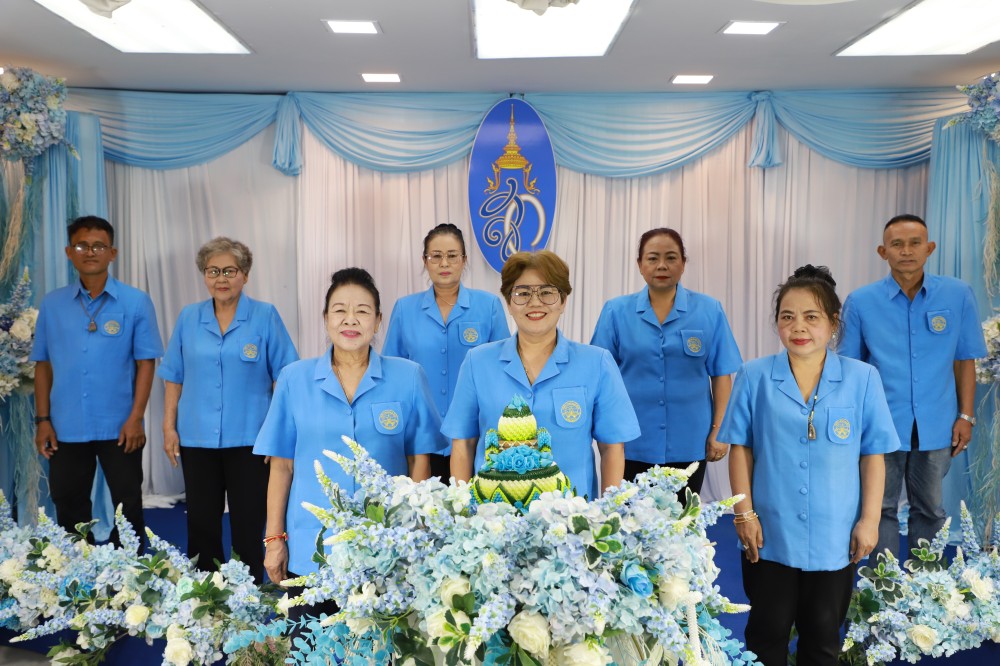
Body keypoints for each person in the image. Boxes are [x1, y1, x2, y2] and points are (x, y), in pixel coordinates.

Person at [719, 265, 899, 666]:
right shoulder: (754, 375)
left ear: (833, 324)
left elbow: (873, 455)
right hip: (770, 532)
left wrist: (870, 520)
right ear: (777, 324)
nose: (798, 326)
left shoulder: (862, 378)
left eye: (811, 317)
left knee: (822, 637)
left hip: (835, 535)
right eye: (787, 316)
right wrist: (743, 514)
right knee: (766, 634)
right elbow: (741, 449)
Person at [253, 267, 446, 592]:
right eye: (340, 311)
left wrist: (416, 531)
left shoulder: (409, 377)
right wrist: (274, 540)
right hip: (312, 547)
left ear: (378, 320)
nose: (350, 320)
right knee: (308, 626)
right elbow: (282, 466)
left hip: (386, 548)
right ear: (326, 318)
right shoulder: (294, 379)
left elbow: (419, 462)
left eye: (362, 311)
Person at [840, 214, 988, 558]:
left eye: (914, 243)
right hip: (880, 423)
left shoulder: (958, 295)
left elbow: (964, 359)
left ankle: (927, 583)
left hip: (937, 423)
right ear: (882, 252)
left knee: (930, 508)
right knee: (880, 507)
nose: (906, 251)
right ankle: (884, 584)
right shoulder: (861, 302)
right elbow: (850, 369)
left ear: (929, 248)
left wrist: (966, 415)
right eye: (897, 244)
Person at [443, 250, 640, 500]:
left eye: (547, 292)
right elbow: (463, 443)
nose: (535, 302)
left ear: (563, 301)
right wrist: (461, 509)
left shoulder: (597, 363)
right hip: (492, 517)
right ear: (509, 303)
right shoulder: (478, 362)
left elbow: (612, 448)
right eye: (523, 293)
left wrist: (609, 510)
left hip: (572, 517)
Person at [158, 237, 298, 582]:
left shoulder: (264, 316)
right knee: (201, 520)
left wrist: (278, 435)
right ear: (204, 275)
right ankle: (206, 590)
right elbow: (174, 376)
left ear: (245, 275)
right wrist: (168, 426)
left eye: (230, 271)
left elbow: (285, 378)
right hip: (196, 437)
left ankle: (246, 589)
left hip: (251, 438)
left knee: (248, 520)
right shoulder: (189, 317)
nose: (221, 278)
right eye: (213, 271)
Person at [31, 215, 163, 548]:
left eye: (99, 246)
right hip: (66, 425)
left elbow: (146, 363)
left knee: (127, 503)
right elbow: (43, 365)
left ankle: (128, 568)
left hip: (120, 425)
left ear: (112, 253)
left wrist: (136, 418)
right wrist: (43, 420)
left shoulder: (135, 301)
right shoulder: (52, 304)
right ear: (69, 252)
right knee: (68, 502)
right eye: (82, 246)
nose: (90, 252)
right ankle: (78, 569)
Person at [590, 228, 741, 497]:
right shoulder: (616, 311)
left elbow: (721, 375)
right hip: (631, 440)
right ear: (640, 264)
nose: (662, 265)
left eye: (671, 257)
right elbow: (600, 377)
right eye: (652, 258)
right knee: (630, 518)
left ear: (683, 263)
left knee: (683, 517)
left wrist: (719, 431)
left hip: (690, 440)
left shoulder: (709, 310)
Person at [383, 223, 509, 481]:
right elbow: (391, 374)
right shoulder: (405, 309)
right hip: (420, 440)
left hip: (474, 436)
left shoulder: (488, 306)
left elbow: (503, 370)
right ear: (425, 260)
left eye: (452, 255)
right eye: (436, 256)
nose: (444, 263)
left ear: (464, 260)